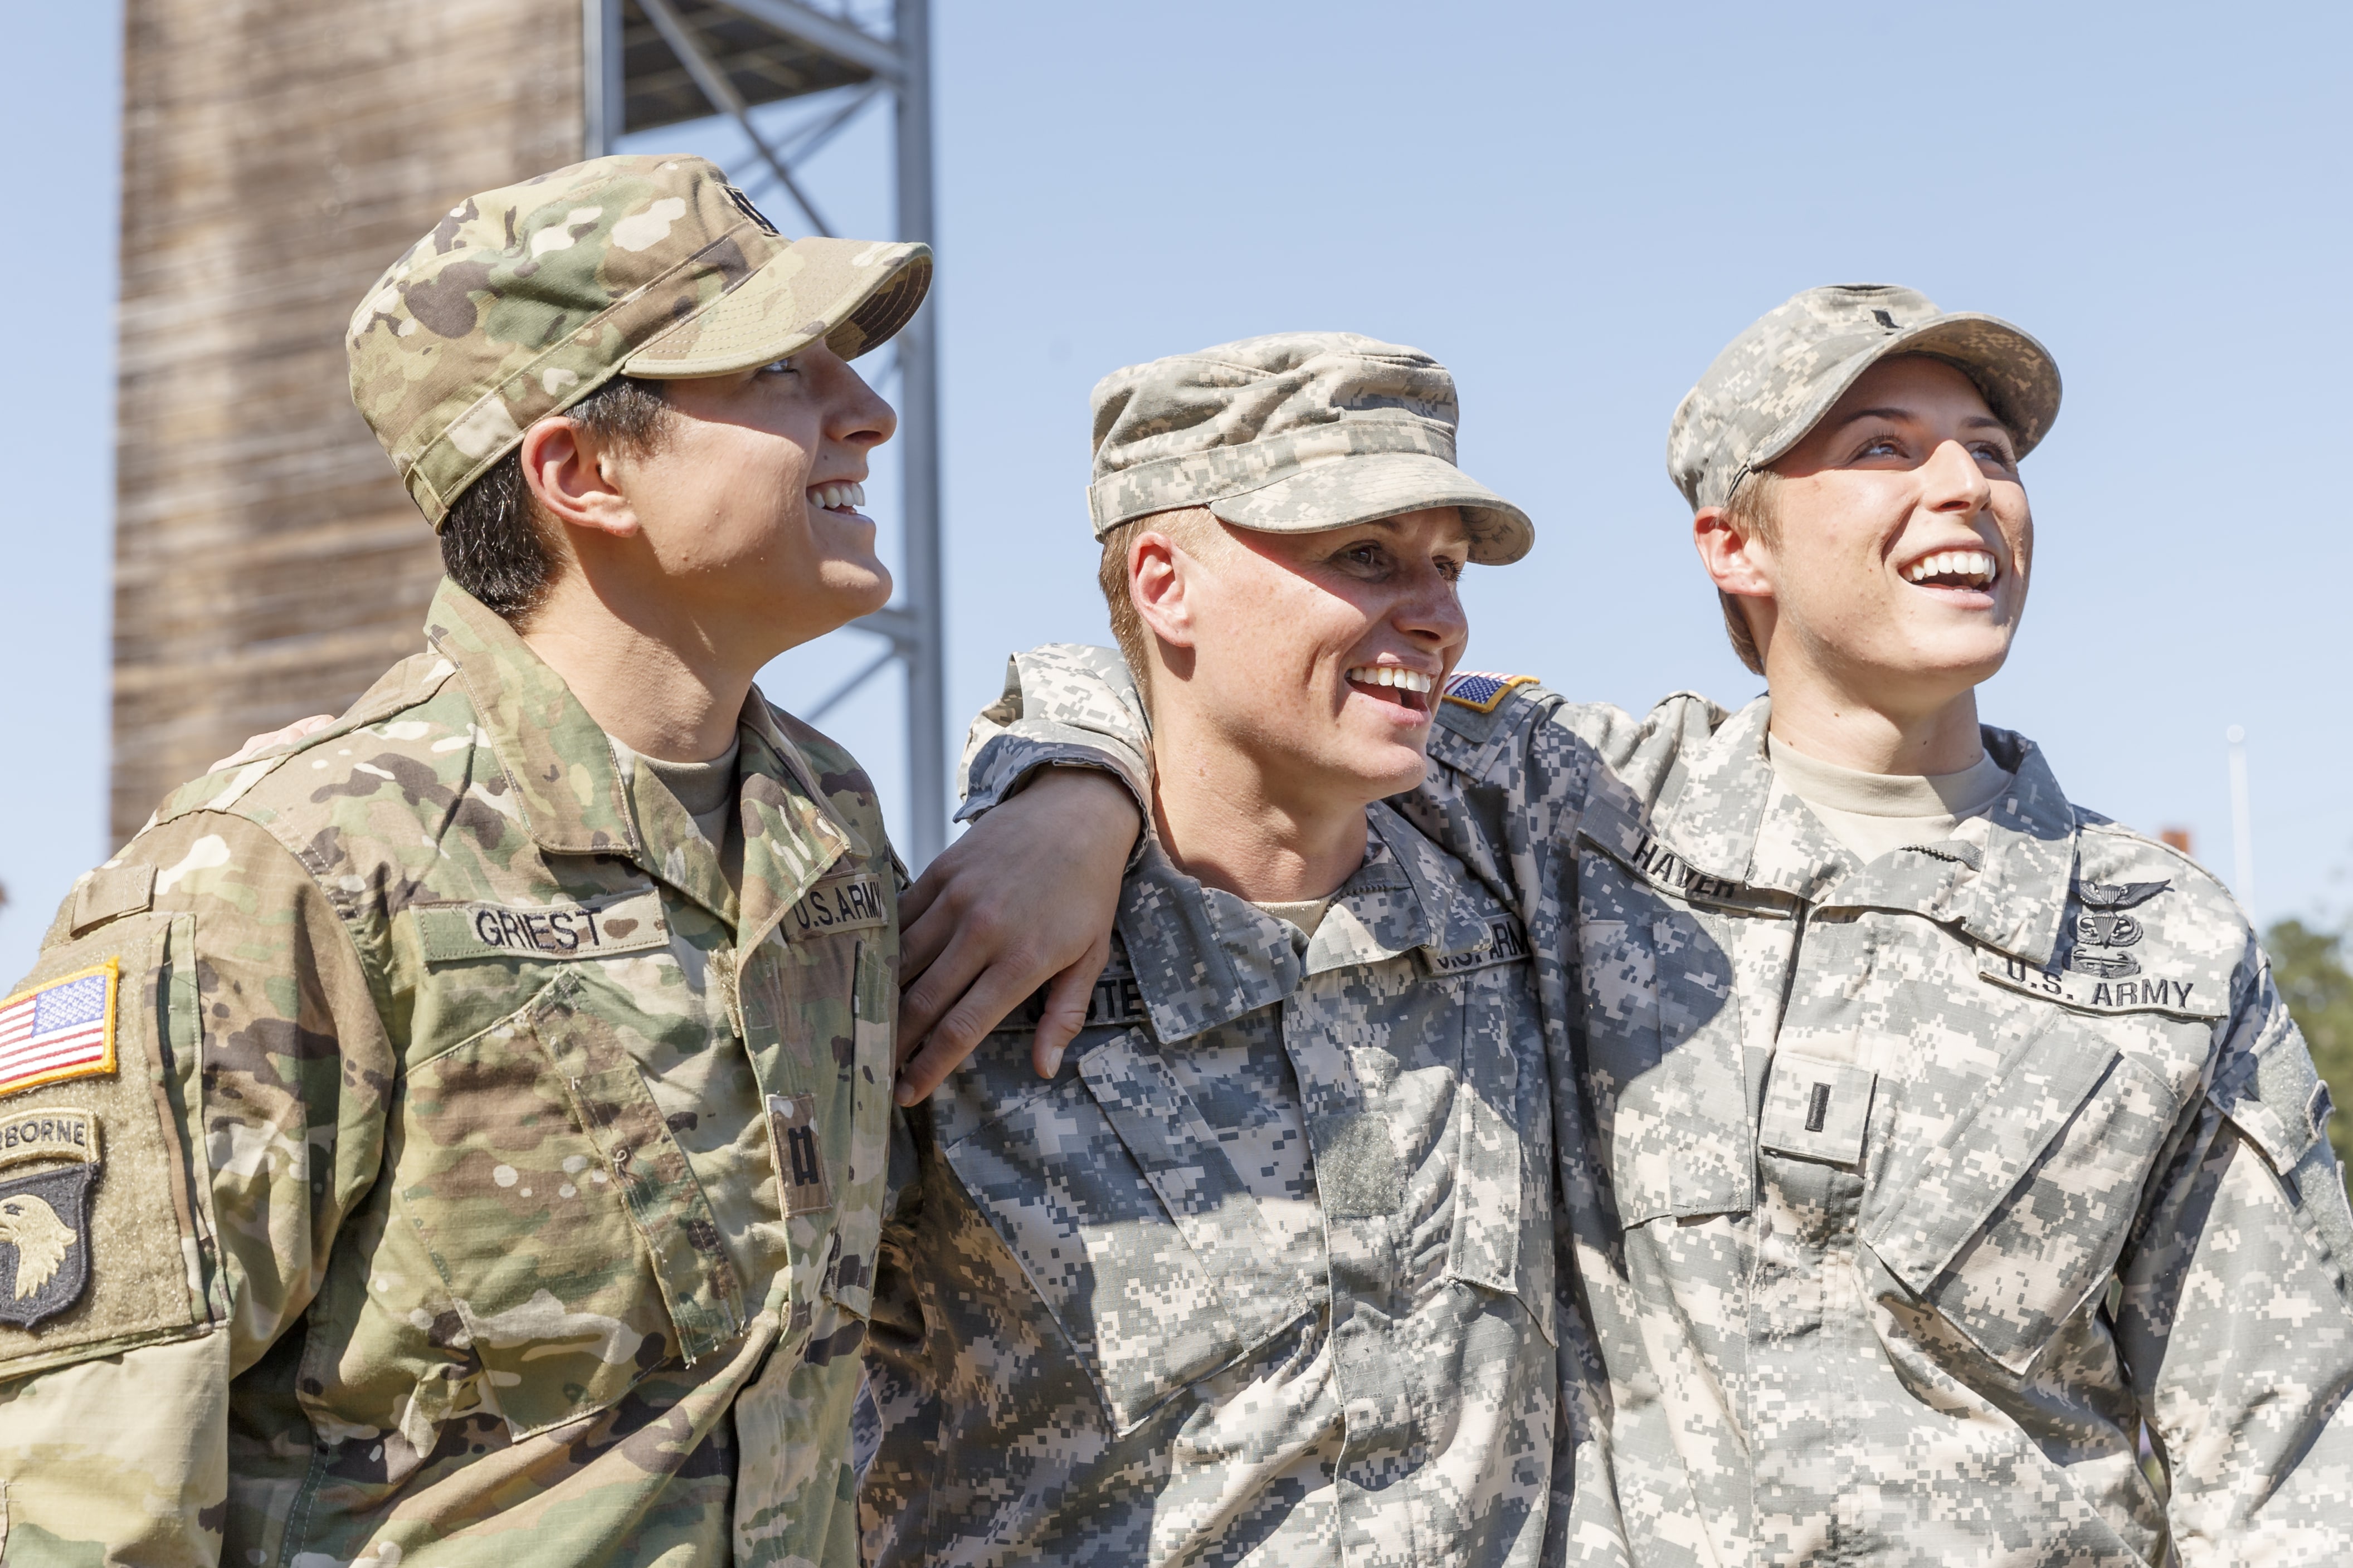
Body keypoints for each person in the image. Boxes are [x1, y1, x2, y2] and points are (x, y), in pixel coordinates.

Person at [936, 286, 2353, 1564]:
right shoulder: (1586, 810)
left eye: (1992, 450)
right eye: (1883, 447)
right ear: (1733, 542)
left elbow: (2289, 1442)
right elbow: (1214, 668)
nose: (1963, 487)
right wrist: (1069, 790)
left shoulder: (2158, 938)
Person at [0, 154, 1128, 1567]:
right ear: (580, 472)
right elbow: (75, 1495)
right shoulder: (287, 870)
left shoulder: (819, 828)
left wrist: (1090, 781)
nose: (870, 413)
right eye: (782, 372)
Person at [859, 333, 1613, 1565]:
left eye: (1450, 564)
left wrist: (1069, 766)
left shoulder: (1522, 899)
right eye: (1364, 554)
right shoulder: (975, 967)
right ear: (1164, 581)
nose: (1435, 616)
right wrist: (1071, 781)